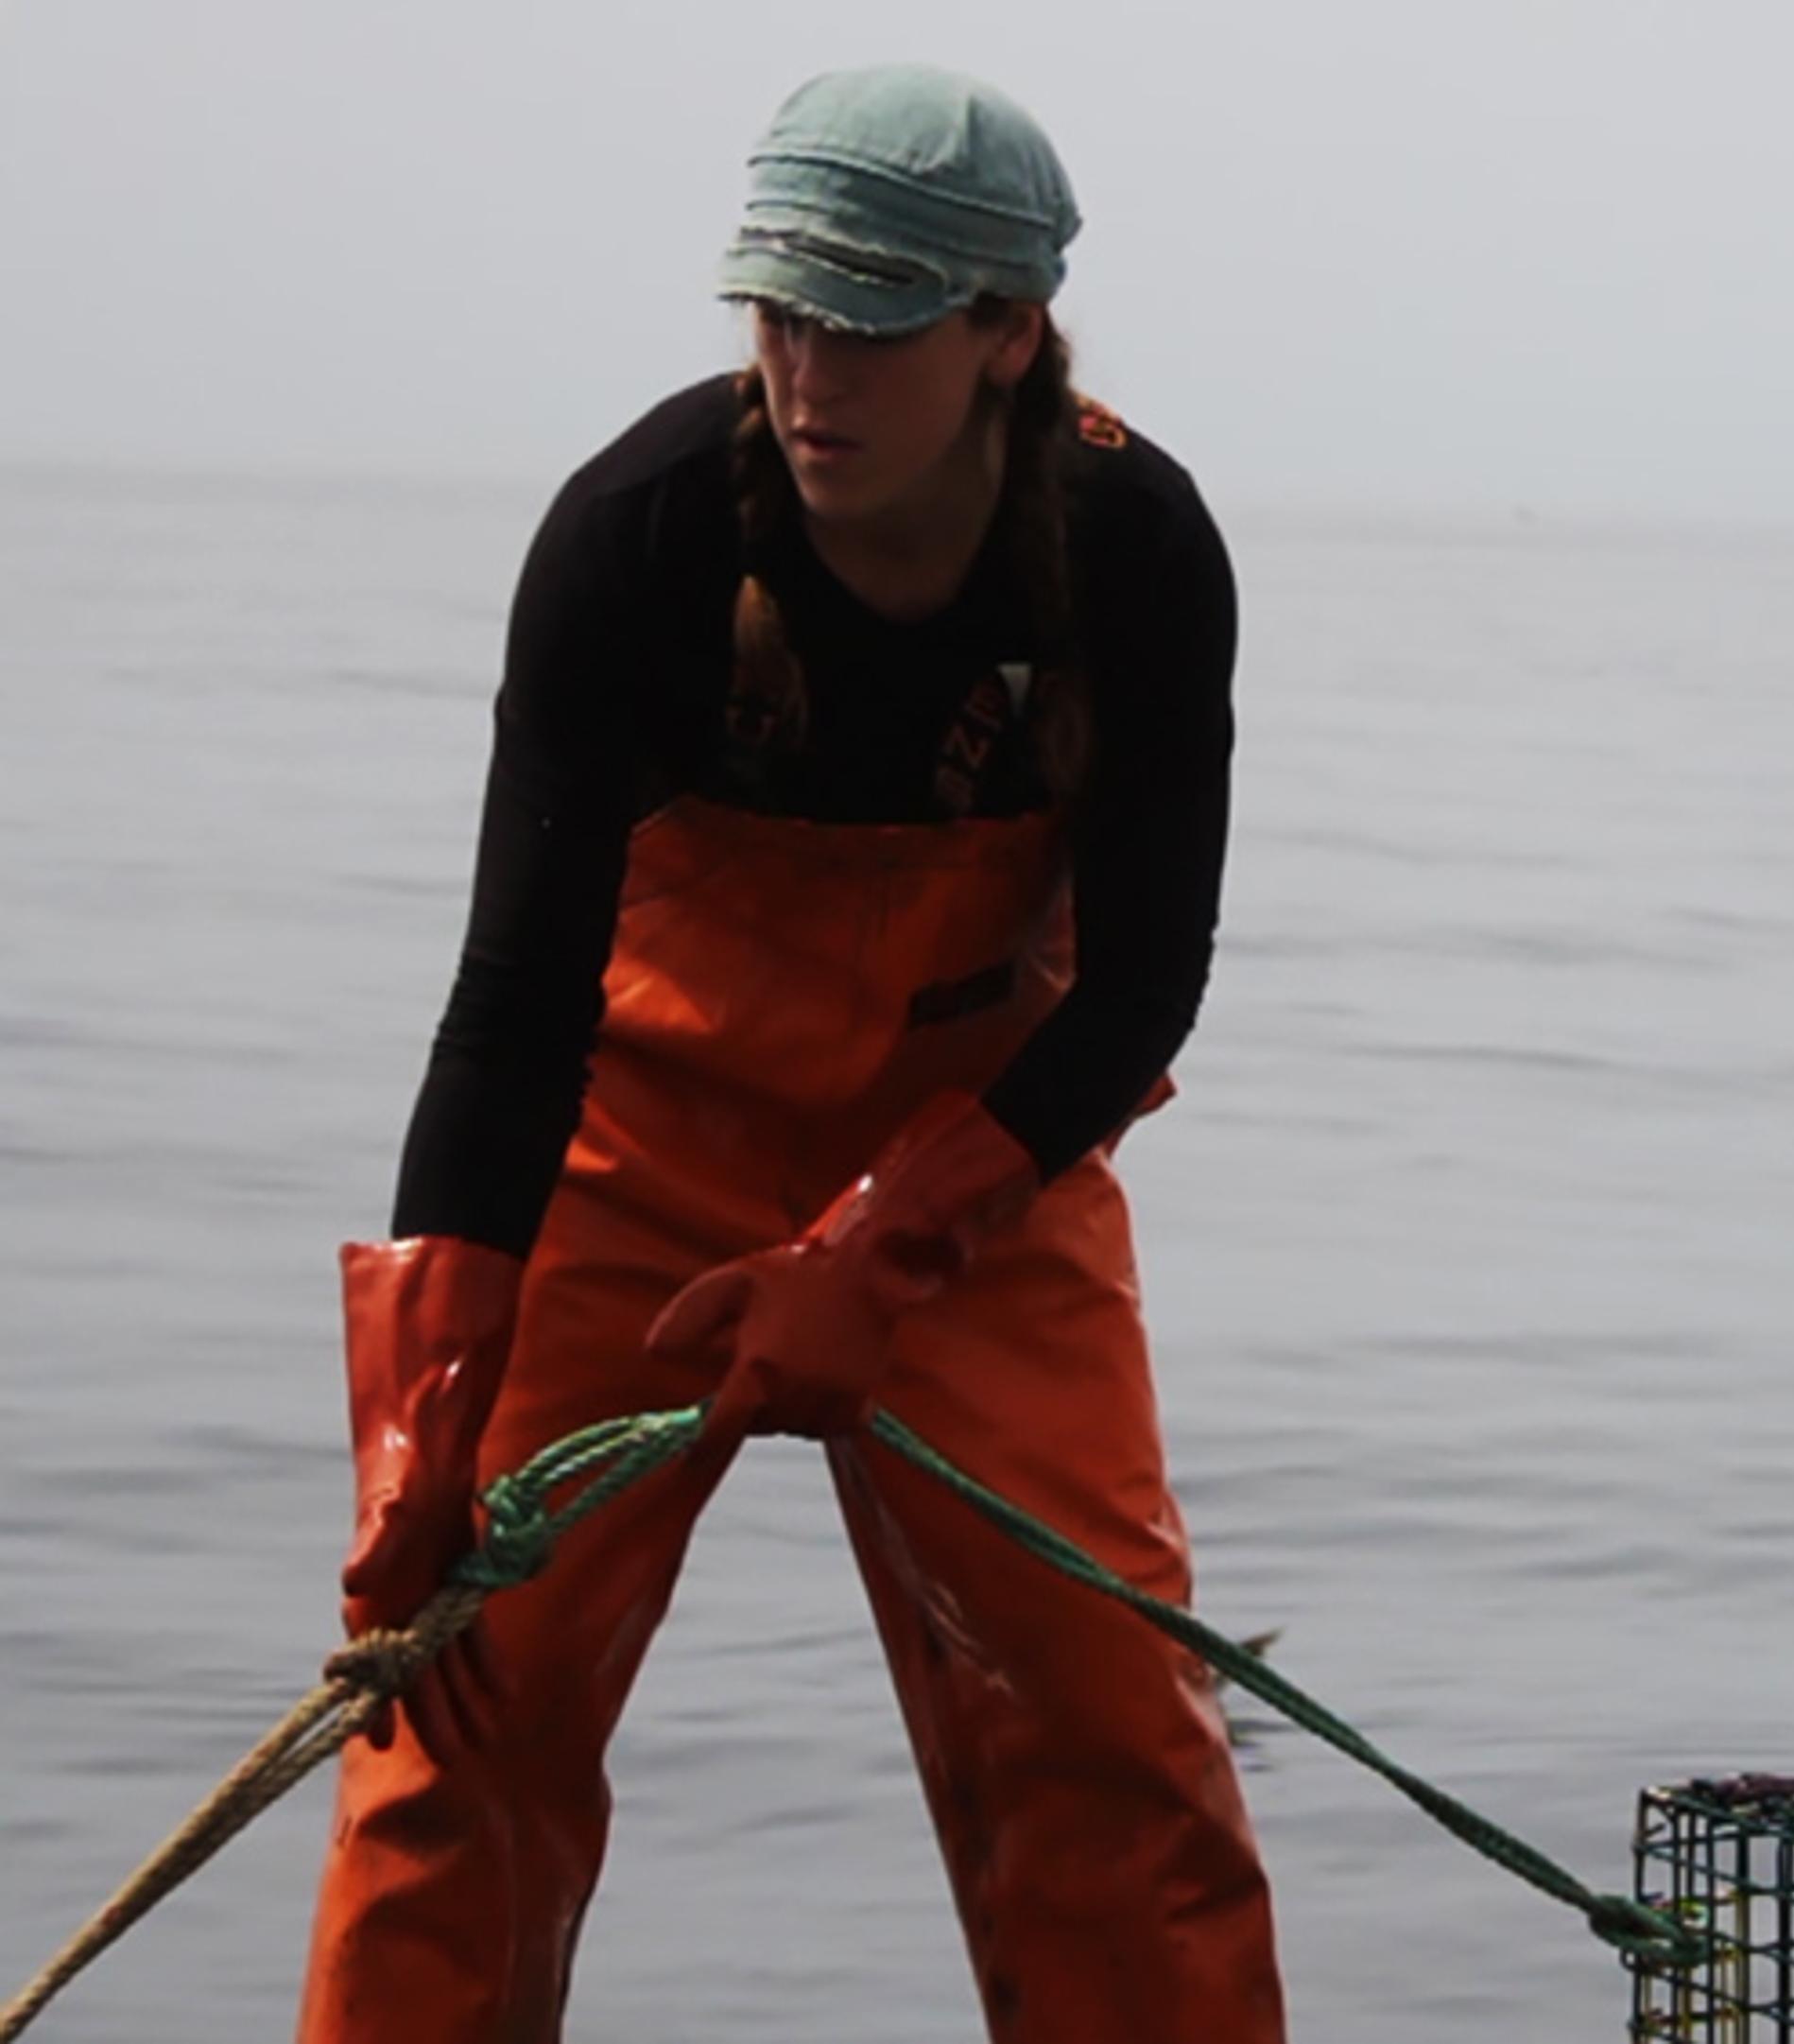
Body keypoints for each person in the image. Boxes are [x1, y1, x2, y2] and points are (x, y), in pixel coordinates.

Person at [300, 63, 1283, 2042]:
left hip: (974, 1171)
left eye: (875, 319)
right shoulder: (636, 540)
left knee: (1103, 1711)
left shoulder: (1136, 553)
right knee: (457, 1725)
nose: (811, 371)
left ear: (1007, 334)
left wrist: (883, 1247)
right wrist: (418, 1429)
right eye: (780, 311)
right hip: (628, 1151)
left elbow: (1143, 986)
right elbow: (509, 1014)